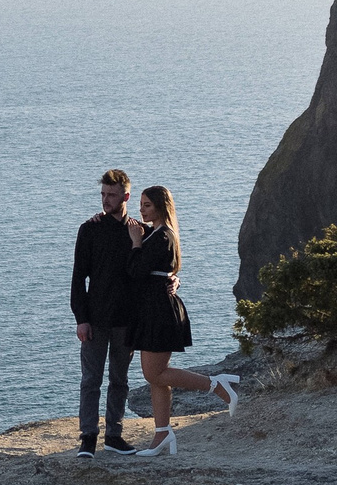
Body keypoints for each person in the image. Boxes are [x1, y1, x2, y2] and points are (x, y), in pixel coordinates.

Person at [123, 185, 241, 456]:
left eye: (147, 205)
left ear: (161, 207)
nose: (141, 210)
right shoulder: (155, 232)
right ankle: (162, 434)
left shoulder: (162, 236)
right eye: (140, 204)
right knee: (156, 377)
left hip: (159, 311)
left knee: (154, 373)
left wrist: (136, 242)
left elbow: (136, 272)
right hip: (152, 309)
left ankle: (215, 384)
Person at [70, 168, 140, 457]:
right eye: (102, 194)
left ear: (125, 196)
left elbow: (151, 272)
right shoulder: (90, 230)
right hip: (95, 320)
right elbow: (78, 278)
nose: (105, 200)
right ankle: (88, 437)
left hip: (127, 320)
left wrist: (174, 279)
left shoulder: (138, 232)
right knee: (91, 381)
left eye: (111, 195)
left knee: (120, 380)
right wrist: (81, 319)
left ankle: (114, 435)